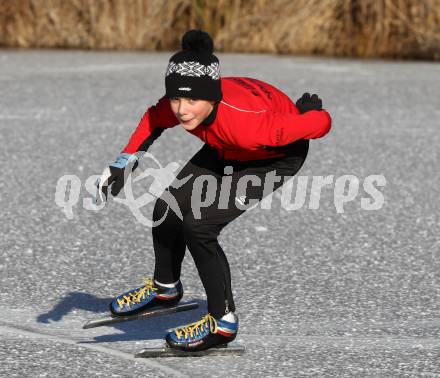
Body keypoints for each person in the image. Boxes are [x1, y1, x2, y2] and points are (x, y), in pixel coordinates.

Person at [97, 29, 332, 352]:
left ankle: (222, 321)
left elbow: (321, 125)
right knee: (167, 207)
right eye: (177, 99)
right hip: (225, 146)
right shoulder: (182, 105)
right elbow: (154, 119)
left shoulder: (254, 126)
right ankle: (165, 287)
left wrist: (308, 114)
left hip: (272, 160)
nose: (182, 110)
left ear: (212, 97)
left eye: (191, 101)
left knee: (200, 225)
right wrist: (125, 160)